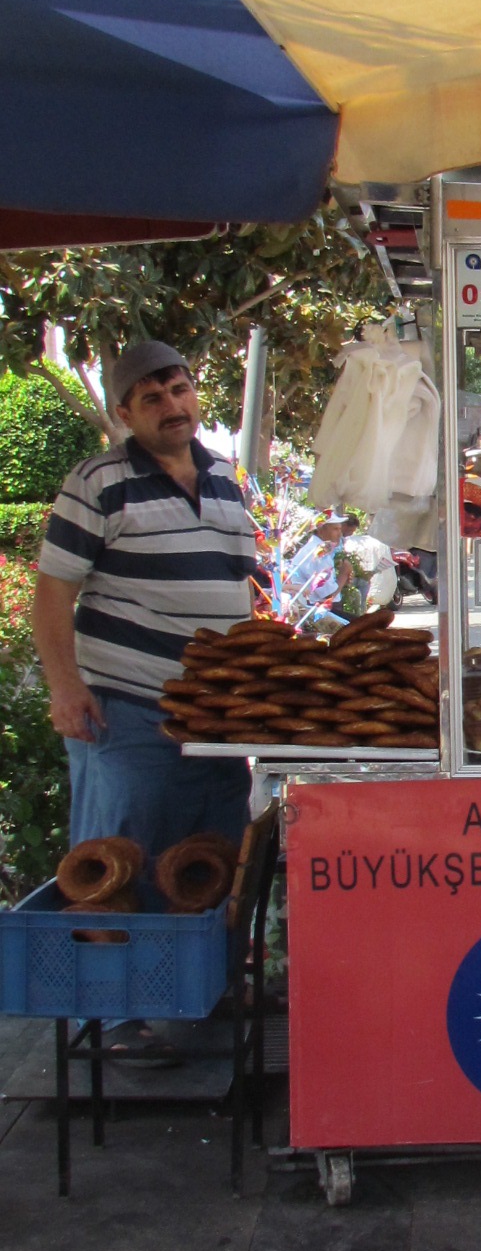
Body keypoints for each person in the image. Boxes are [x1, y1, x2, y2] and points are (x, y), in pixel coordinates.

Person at [32, 342, 259, 861]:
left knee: (211, 871)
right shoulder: (97, 483)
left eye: (180, 391)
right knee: (119, 872)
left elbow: (231, 585)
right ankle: (112, 948)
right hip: (131, 715)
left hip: (214, 717)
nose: (172, 407)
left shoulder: (225, 479)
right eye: (152, 398)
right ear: (124, 414)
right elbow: (52, 593)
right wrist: (65, 689)